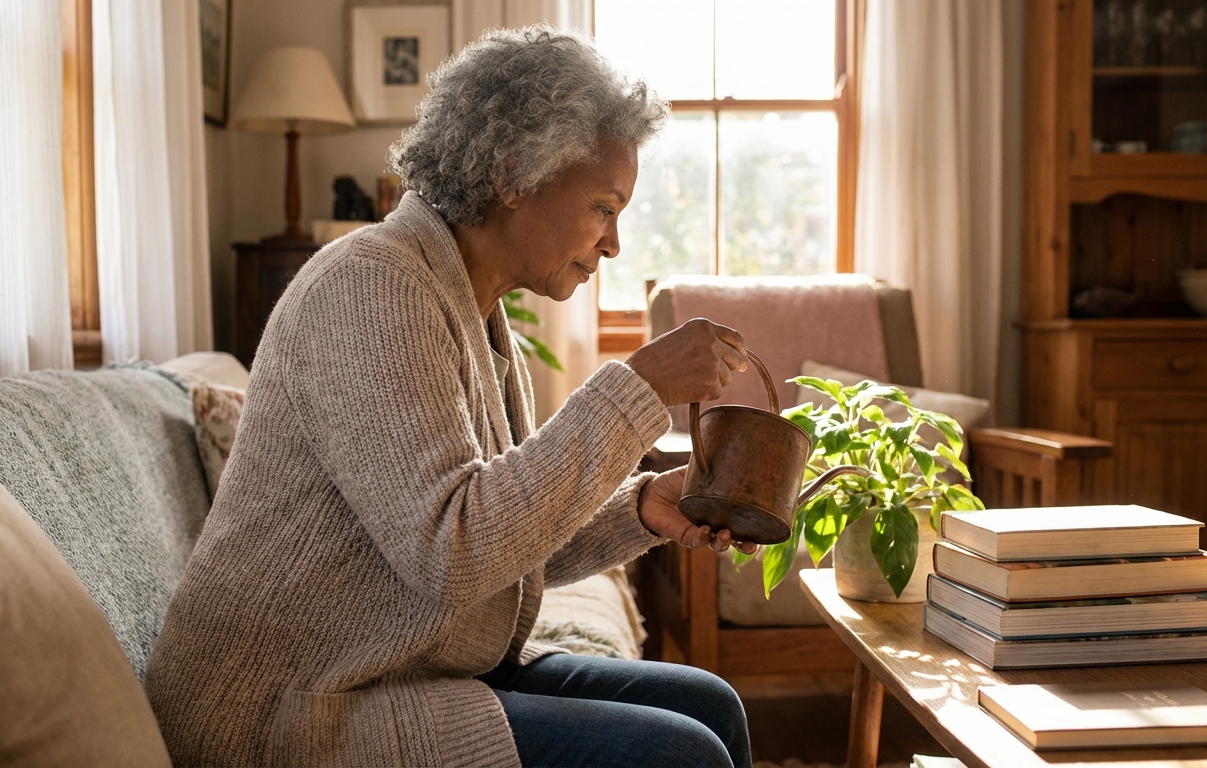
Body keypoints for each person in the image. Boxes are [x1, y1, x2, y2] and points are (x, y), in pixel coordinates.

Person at [145, 26, 757, 767]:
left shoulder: (471, 307)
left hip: (395, 667)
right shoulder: (370, 285)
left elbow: (507, 539)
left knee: (711, 706)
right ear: (512, 176)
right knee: (681, 754)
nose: (613, 243)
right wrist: (638, 388)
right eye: (603, 207)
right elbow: (454, 551)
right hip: (284, 707)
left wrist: (641, 508)